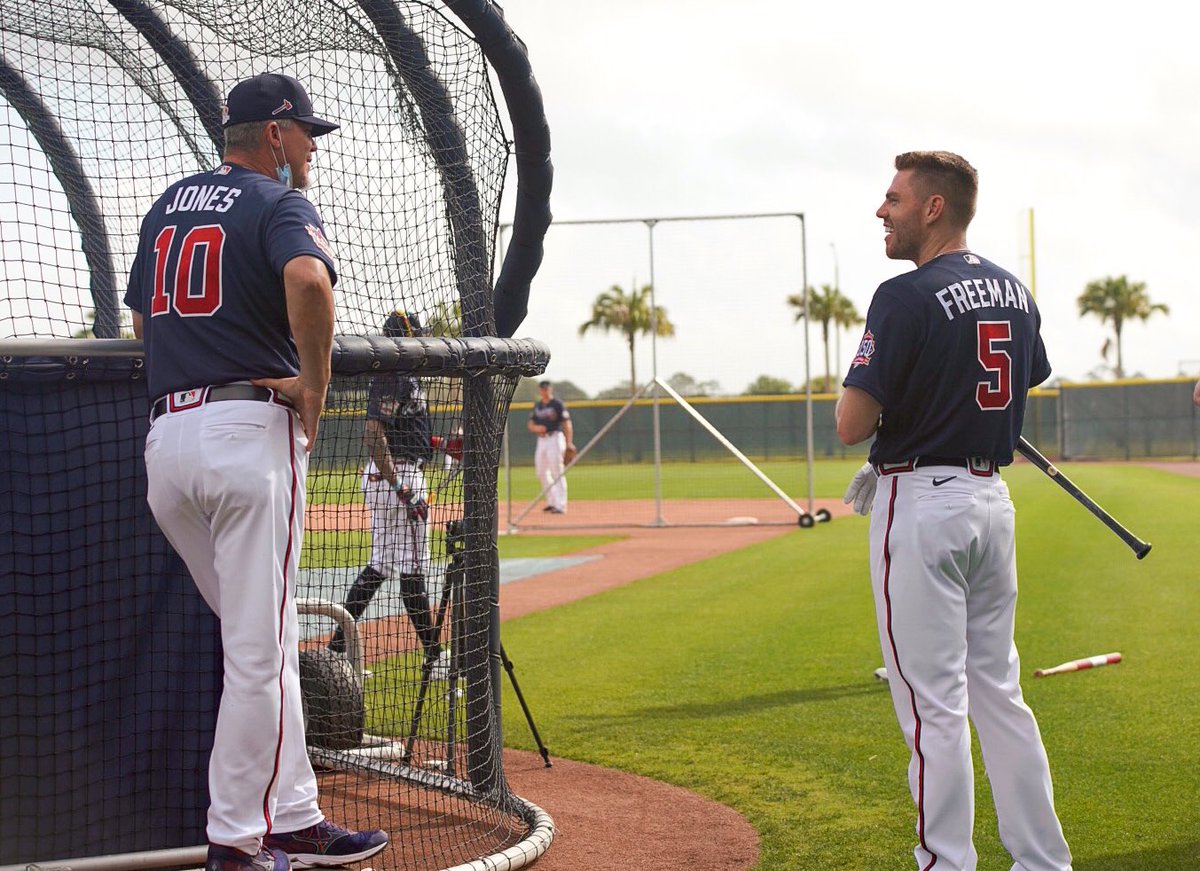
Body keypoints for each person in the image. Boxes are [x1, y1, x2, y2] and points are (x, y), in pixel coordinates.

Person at [124, 73, 387, 871]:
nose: (311, 148)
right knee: (259, 653)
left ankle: (296, 815)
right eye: (305, 131)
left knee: (262, 640)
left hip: (169, 444)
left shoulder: (167, 203)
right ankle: (237, 842)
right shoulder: (277, 202)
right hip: (246, 434)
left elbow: (141, 319)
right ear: (273, 133)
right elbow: (308, 279)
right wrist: (315, 386)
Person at [836, 151, 1072, 871]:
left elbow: (851, 423)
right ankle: (1043, 861)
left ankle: (946, 863)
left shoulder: (902, 295)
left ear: (933, 207)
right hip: (991, 501)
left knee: (932, 706)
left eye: (894, 198)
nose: (882, 210)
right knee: (999, 693)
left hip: (923, 504)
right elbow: (1019, 380)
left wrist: (903, 425)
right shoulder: (1015, 290)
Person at [327, 309, 451, 681]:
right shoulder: (395, 373)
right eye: (418, 333)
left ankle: (336, 652)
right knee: (413, 570)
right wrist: (402, 489)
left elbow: (403, 430)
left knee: (379, 566)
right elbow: (373, 433)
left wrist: (440, 443)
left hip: (390, 475)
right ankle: (434, 658)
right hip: (398, 478)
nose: (423, 339)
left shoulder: (403, 373)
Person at [527, 379, 575, 513]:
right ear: (540, 391)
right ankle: (553, 501)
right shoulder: (538, 406)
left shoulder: (557, 404)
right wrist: (537, 428)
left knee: (557, 471)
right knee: (541, 472)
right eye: (542, 389)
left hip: (555, 438)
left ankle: (561, 505)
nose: (544, 391)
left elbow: (566, 423)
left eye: (546, 389)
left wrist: (569, 442)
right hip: (542, 441)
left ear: (550, 390)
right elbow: (530, 424)